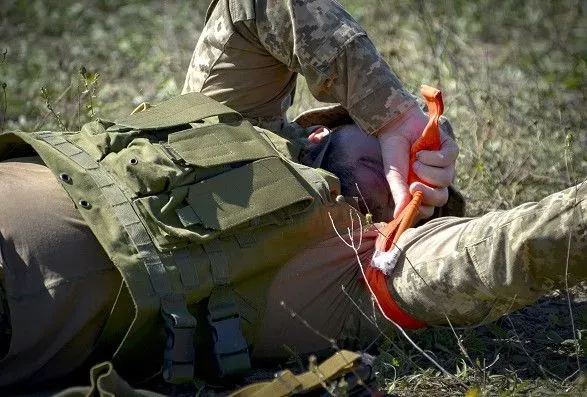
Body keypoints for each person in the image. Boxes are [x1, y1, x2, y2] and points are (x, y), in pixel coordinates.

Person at [0, 0, 584, 393]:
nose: (411, 184)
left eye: (431, 200)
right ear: (328, 124)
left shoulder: (349, 275)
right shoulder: (227, 115)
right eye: (408, 159)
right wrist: (396, 115)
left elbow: (513, 247)